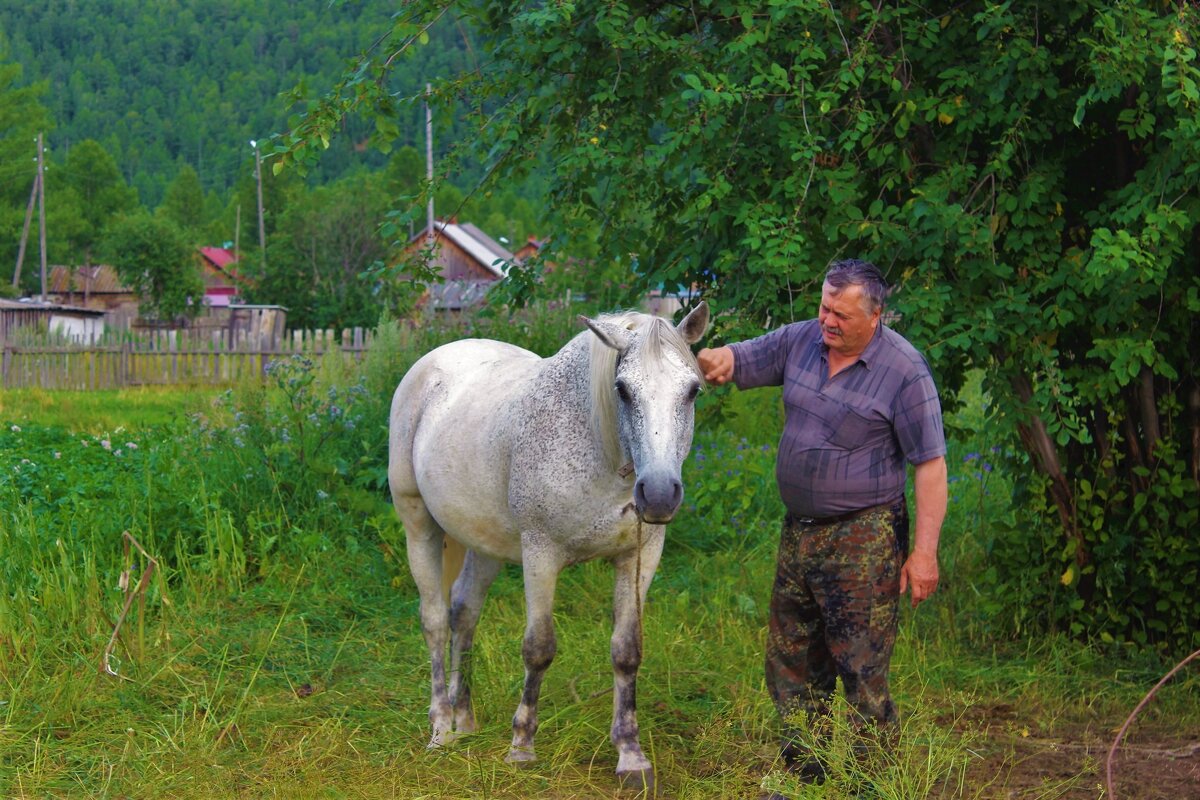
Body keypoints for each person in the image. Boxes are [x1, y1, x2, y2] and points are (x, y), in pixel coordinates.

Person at [696, 259, 947, 787]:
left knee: (860, 670)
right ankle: (799, 779)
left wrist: (924, 553)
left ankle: (867, 785)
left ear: (875, 316)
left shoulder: (904, 371)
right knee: (790, 664)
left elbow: (930, 465)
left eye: (841, 315)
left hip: (865, 538)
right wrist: (720, 358)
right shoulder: (802, 340)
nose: (827, 322)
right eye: (824, 308)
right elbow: (746, 358)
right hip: (799, 534)